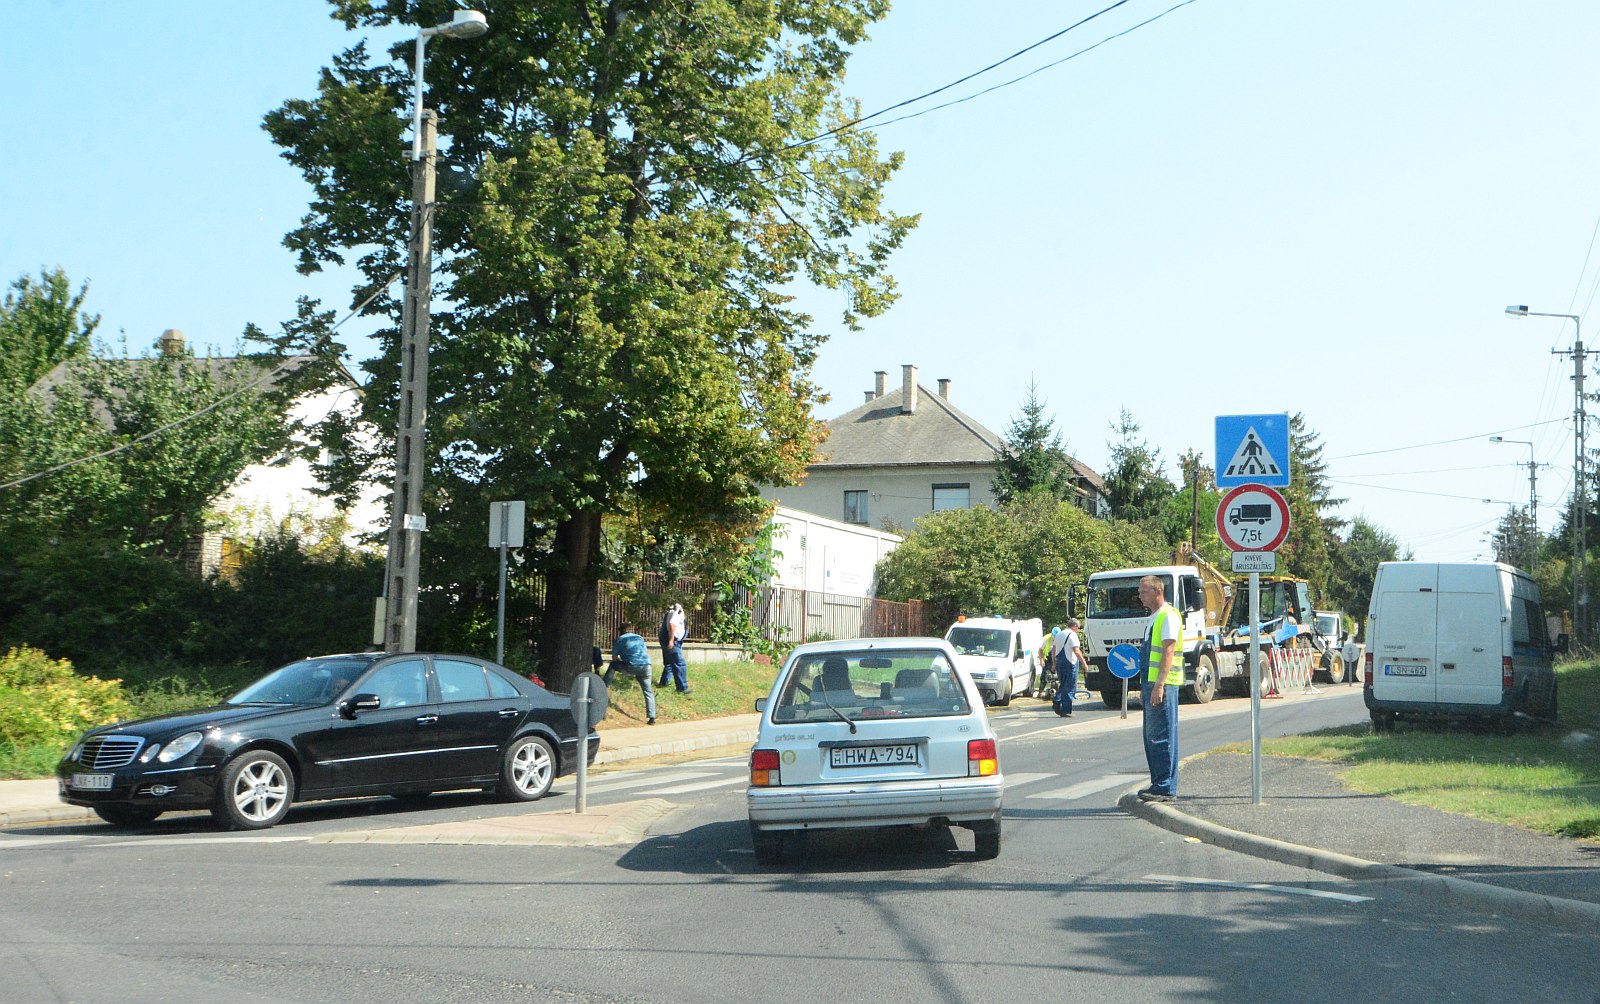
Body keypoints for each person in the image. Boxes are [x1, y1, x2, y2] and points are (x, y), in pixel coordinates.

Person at [1136, 574, 1181, 801]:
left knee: (1162, 736)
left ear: (1157, 591)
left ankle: (1165, 787)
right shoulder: (1154, 617)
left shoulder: (1168, 616)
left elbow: (1168, 651)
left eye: (1144, 591)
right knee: (1152, 737)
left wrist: (1159, 684)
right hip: (1152, 684)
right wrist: (1145, 688)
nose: (1139, 595)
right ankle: (1159, 784)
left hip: (1163, 684)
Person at [606, 620, 657, 725]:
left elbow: (614, 658)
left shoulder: (620, 640)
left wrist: (622, 663)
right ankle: (652, 717)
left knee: (612, 665)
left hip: (631, 665)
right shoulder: (639, 638)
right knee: (648, 691)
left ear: (621, 631)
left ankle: (603, 686)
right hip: (646, 666)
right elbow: (644, 652)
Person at [1052, 618, 1085, 718]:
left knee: (1063, 684)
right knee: (1070, 686)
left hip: (1059, 663)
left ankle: (1057, 702)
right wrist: (1084, 663)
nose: (1078, 630)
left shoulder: (1059, 634)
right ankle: (1065, 709)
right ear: (1074, 626)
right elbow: (1076, 650)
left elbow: (1053, 650)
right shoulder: (1072, 635)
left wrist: (1054, 663)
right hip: (1070, 663)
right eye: (1078, 628)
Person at [658, 602, 691, 694]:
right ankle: (682, 688)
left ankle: (664, 682)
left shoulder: (670, 611)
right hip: (672, 640)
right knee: (679, 664)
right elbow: (672, 625)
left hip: (665, 638)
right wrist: (671, 640)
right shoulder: (678, 612)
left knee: (669, 663)